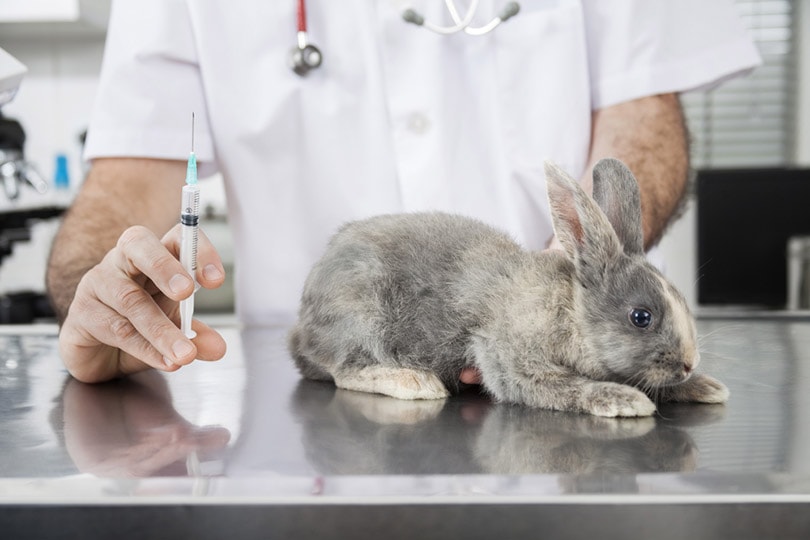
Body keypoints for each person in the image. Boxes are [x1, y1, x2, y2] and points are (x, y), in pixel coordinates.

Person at [46, 0, 761, 383]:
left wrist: (581, 278)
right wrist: (109, 294)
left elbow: (643, 114)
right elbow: (129, 176)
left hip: (562, 372)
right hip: (321, 400)